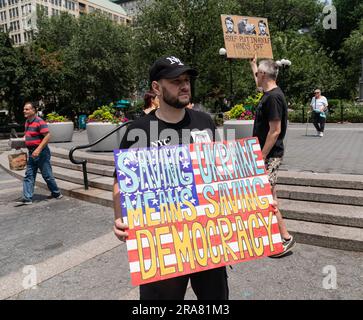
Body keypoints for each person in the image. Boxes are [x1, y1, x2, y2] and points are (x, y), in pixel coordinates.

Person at [112, 56, 230, 300]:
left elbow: (220, 174)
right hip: (162, 242)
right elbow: (120, 182)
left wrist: (252, 200)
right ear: (157, 88)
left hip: (207, 237)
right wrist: (119, 218)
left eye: (186, 80)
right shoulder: (138, 130)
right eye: (176, 81)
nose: (185, 86)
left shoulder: (205, 122)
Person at [249, 56, 296, 257]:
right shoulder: (268, 93)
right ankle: (281, 236)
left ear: (264, 75)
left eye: (258, 73)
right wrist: (253, 64)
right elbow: (259, 82)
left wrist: (262, 155)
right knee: (270, 195)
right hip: (267, 155)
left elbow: (275, 131)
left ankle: (284, 238)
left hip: (270, 155)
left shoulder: (274, 98)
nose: (256, 77)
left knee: (267, 196)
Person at [15, 102, 63, 205]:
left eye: (27, 109)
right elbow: (27, 136)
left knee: (47, 175)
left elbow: (47, 136)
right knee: (29, 175)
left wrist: (38, 149)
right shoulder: (27, 122)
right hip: (32, 152)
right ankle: (27, 198)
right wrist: (20, 142)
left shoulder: (40, 122)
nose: (24, 111)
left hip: (42, 153)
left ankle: (56, 193)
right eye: (24, 109)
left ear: (33, 110)